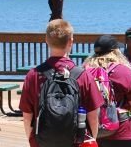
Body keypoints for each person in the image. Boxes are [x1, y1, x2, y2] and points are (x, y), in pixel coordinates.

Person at [19, 19, 104, 147]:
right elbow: (93, 116)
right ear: (71, 42)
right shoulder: (83, 75)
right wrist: (91, 139)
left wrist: (34, 141)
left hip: (42, 143)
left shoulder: (34, 75)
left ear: (46, 40)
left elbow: (27, 117)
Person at [84, 35, 131, 147]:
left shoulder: (85, 70)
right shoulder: (122, 71)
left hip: (90, 132)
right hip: (121, 132)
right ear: (115, 52)